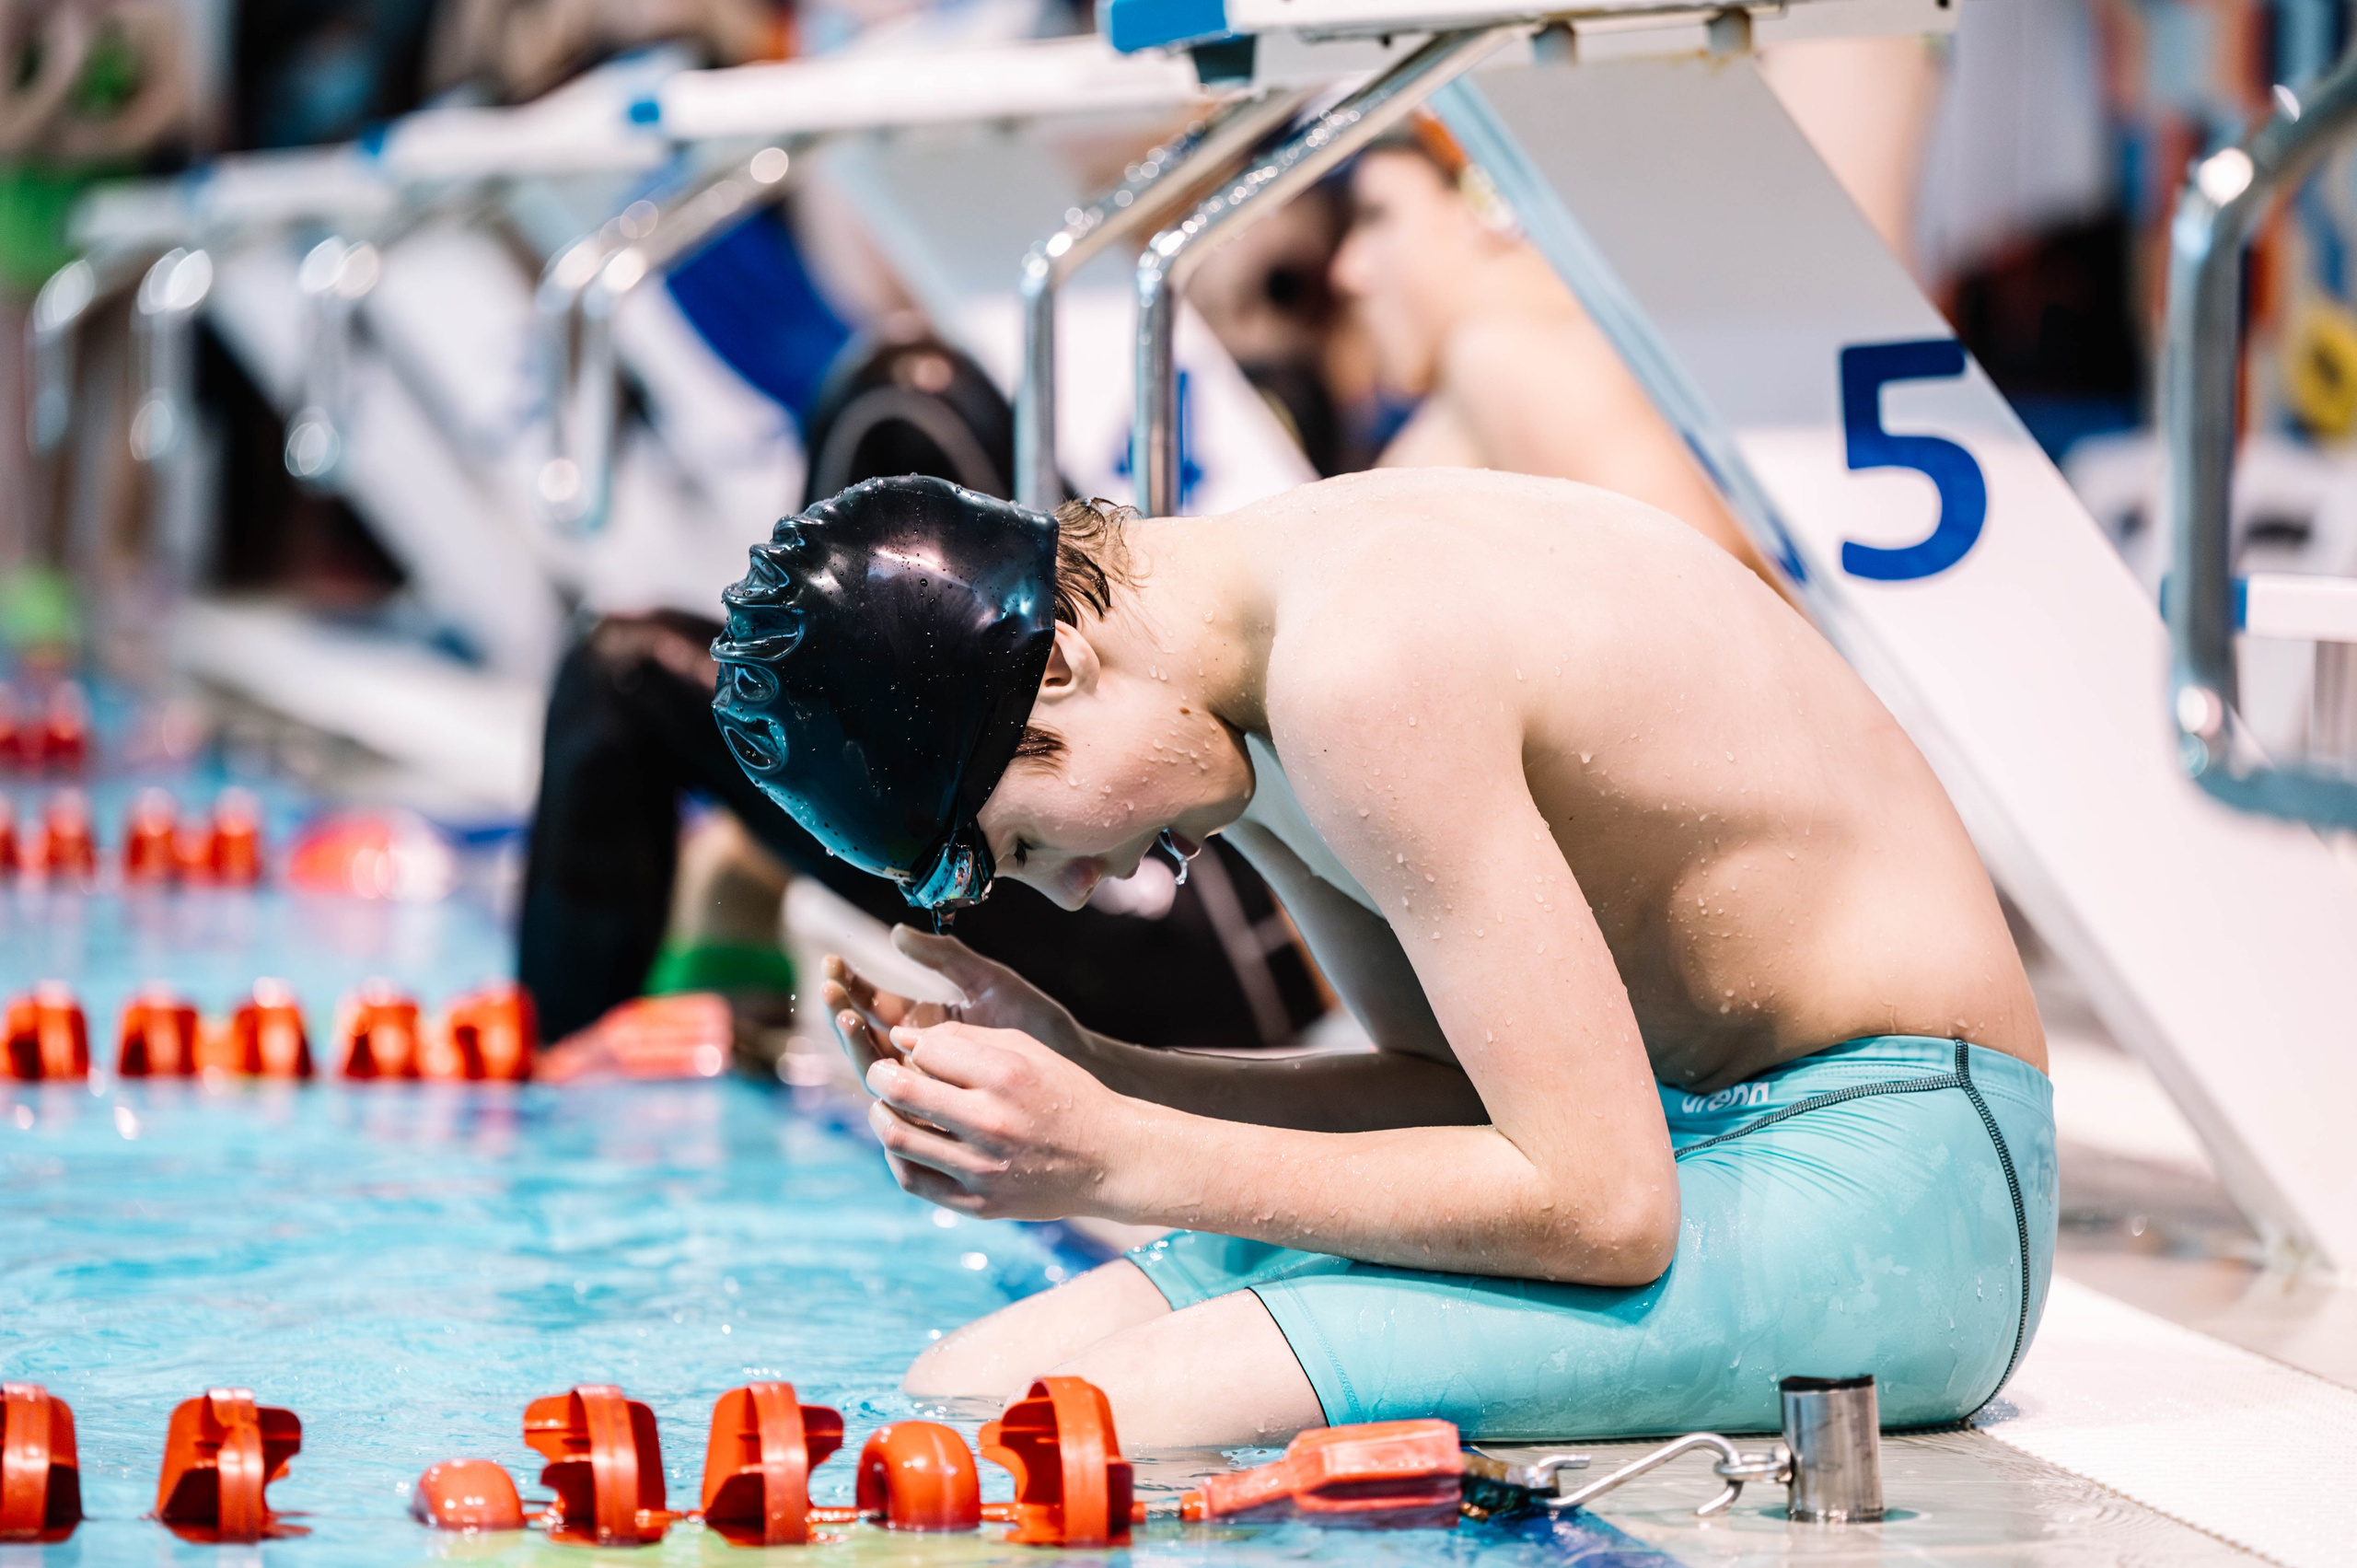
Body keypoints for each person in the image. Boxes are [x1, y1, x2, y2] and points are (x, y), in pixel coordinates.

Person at [712, 470, 2052, 1448]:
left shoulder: (1363, 665)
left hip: (1909, 1171)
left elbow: (1601, 1204)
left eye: (1022, 839)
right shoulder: (1245, 686)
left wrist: (1121, 1155)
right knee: (966, 1387)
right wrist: (1109, 1074)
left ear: (1058, 663)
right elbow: (1449, 1088)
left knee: (1091, 1426)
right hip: (1705, 1140)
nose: (1074, 892)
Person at [517, 331, 1325, 1051]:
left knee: (626, 666)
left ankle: (558, 1063)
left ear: (1055, 668)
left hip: (1211, 961)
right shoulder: (1276, 640)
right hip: (1231, 939)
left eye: (985, 861)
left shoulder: (1339, 674)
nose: (1063, 892)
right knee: (902, 392)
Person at [1330, 118, 1783, 587]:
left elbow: (1697, 581)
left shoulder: (1503, 350)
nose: (1348, 270)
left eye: (1376, 216)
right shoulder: (1510, 355)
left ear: (1482, 204)